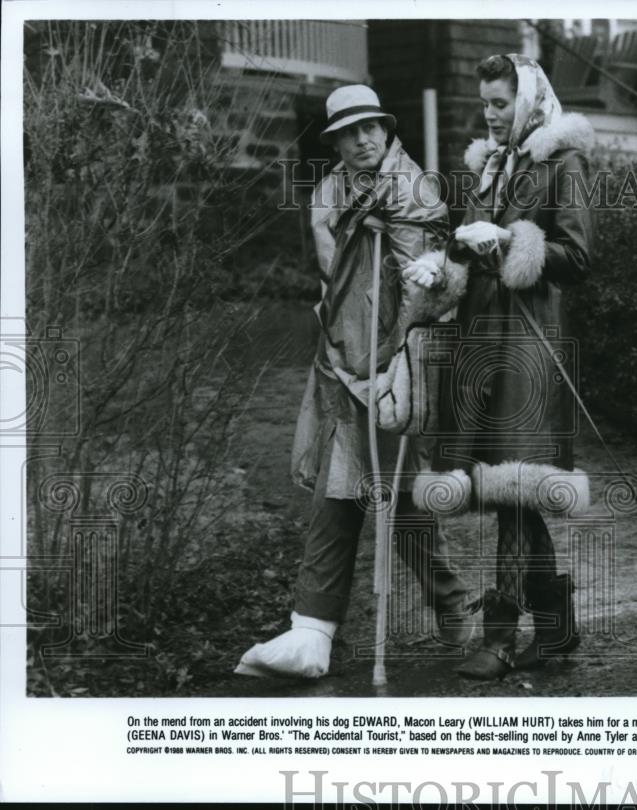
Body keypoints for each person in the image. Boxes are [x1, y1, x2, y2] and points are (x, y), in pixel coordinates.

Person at [235, 85, 471, 679]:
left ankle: (442, 604)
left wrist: (402, 347)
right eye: (350, 131)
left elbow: (428, 290)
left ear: (388, 130)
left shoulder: (416, 190)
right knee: (345, 495)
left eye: (373, 127)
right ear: (336, 140)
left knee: (387, 495)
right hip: (342, 360)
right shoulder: (327, 194)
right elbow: (330, 282)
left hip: (399, 361)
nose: (364, 139)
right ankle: (314, 629)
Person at [403, 55, 595, 679]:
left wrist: (512, 241)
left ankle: (502, 636)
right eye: (484, 103)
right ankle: (557, 627)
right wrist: (443, 266)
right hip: (482, 338)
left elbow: (578, 254)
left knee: (515, 488)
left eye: (500, 104)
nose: (489, 114)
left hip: (532, 344)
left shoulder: (565, 161)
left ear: (531, 100)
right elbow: (470, 243)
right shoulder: (491, 164)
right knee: (506, 487)